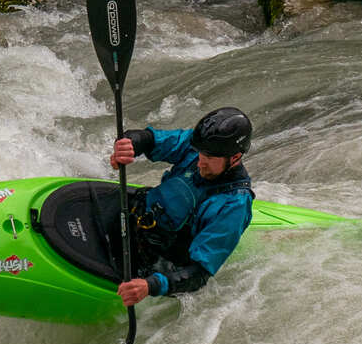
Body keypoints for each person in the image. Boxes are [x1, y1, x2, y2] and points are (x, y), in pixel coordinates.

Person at [108, 106, 255, 307]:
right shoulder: (201, 146)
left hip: (160, 261)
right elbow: (152, 140)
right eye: (201, 154)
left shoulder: (233, 205)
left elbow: (199, 274)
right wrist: (130, 144)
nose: (200, 162)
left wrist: (150, 285)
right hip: (138, 219)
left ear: (235, 158)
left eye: (210, 158)